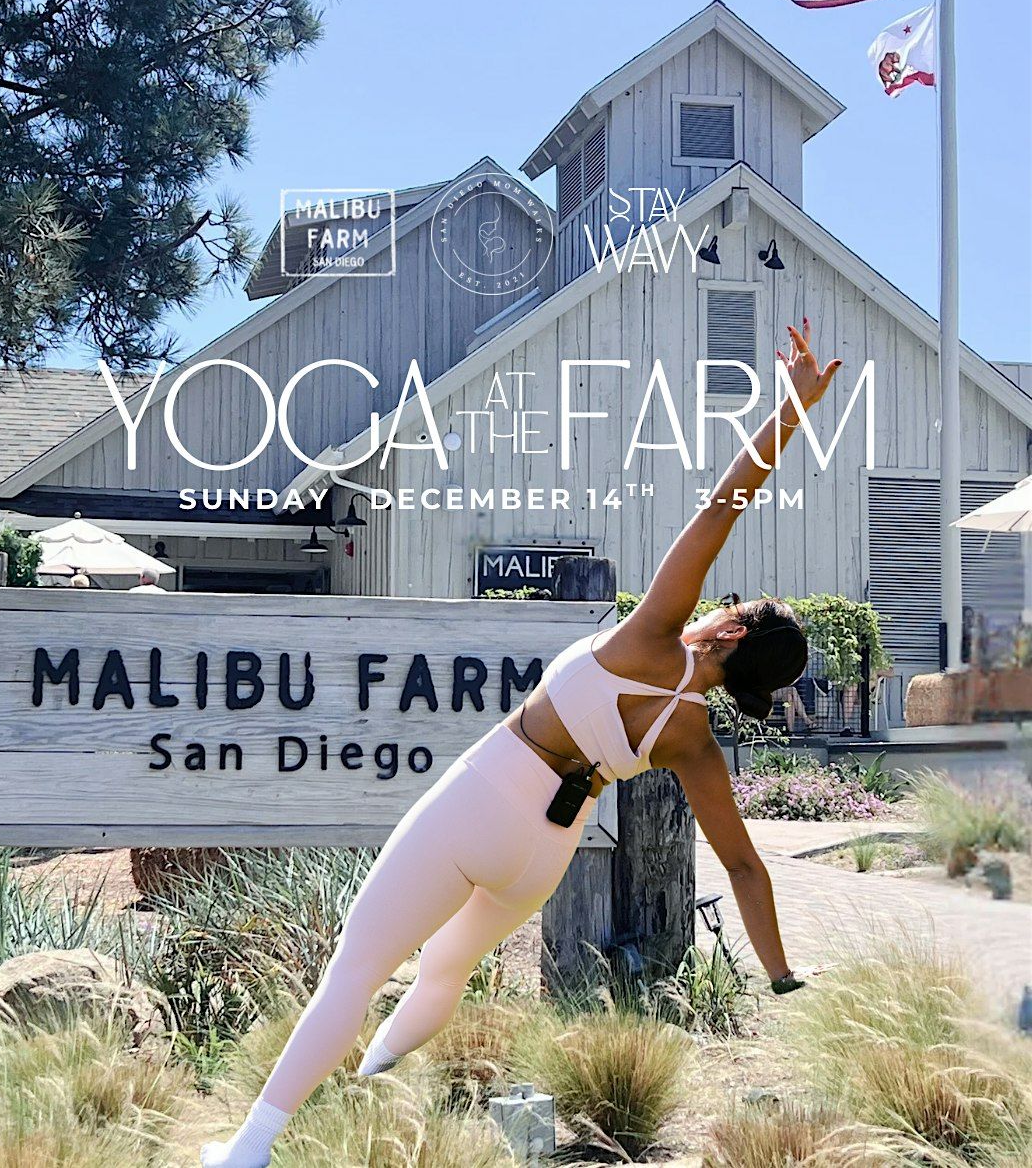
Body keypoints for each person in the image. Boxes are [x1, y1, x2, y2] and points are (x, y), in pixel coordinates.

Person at [201, 318, 840, 1168]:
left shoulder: (654, 634)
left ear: (729, 632)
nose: (720, 602)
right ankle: (372, 1081)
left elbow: (724, 501)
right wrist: (780, 973)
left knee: (355, 969)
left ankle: (249, 1150)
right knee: (445, 970)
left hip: (486, 795)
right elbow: (745, 866)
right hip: (544, 851)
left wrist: (791, 410)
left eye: (733, 605)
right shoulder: (695, 739)